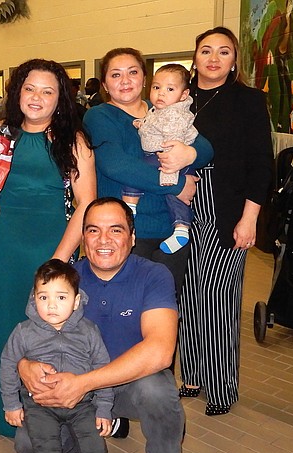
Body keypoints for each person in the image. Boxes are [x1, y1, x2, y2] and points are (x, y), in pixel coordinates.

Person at [17, 197, 186, 453]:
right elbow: (27, 338)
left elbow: (161, 351)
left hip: (127, 384)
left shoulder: (154, 275)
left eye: (116, 230)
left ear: (132, 238)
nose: (104, 240)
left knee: (158, 391)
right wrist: (24, 365)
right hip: (80, 394)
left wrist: (86, 382)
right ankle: (82, 440)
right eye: (93, 231)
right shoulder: (64, 281)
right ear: (83, 238)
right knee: (29, 446)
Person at [0, 58, 96, 438]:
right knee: (8, 325)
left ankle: (56, 421)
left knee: (54, 333)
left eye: (48, 91)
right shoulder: (1, 134)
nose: (37, 98)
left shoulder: (73, 140)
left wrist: (58, 259)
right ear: (17, 93)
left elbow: (86, 204)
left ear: (60, 99)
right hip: (6, 243)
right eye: (30, 89)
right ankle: (10, 415)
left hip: (53, 242)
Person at [178, 27, 273, 416]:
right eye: (206, 50)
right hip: (182, 205)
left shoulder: (248, 100)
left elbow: (261, 164)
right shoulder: (179, 97)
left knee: (217, 298)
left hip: (227, 208)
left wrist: (249, 219)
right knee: (186, 295)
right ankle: (194, 373)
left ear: (235, 60)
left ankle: (221, 385)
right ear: (195, 57)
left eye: (224, 51)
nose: (214, 58)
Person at [83, 47, 213, 292]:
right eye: (115, 75)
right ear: (104, 84)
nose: (125, 81)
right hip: (126, 231)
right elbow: (115, 165)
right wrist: (176, 184)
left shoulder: (164, 110)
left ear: (144, 78)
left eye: (133, 72)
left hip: (172, 228)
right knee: (126, 310)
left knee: (165, 308)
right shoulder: (99, 117)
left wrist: (191, 153)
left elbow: (205, 146)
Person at [0, 259, 111, 453]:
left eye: (61, 298)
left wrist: (103, 408)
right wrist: (11, 404)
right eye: (43, 297)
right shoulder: (23, 332)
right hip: (40, 406)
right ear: (34, 299)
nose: (51, 305)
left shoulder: (89, 332)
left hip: (82, 405)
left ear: (76, 300)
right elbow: (8, 363)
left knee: (96, 452)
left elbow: (102, 369)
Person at [123, 64, 199, 255]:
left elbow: (172, 136)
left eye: (170, 89)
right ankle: (181, 229)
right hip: (162, 155)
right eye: (157, 87)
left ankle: (130, 207)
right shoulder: (158, 110)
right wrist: (143, 125)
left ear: (184, 94)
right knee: (174, 198)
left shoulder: (174, 113)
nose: (161, 94)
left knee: (136, 174)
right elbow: (155, 125)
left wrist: (172, 169)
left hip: (165, 157)